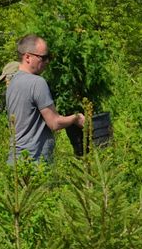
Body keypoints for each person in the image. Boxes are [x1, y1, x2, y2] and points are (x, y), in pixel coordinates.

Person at [5, 34, 84, 163]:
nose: (47, 61)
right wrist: (76, 118)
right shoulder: (37, 82)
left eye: (49, 57)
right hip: (35, 161)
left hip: (15, 160)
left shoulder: (13, 82)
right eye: (43, 57)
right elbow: (54, 123)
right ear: (27, 57)